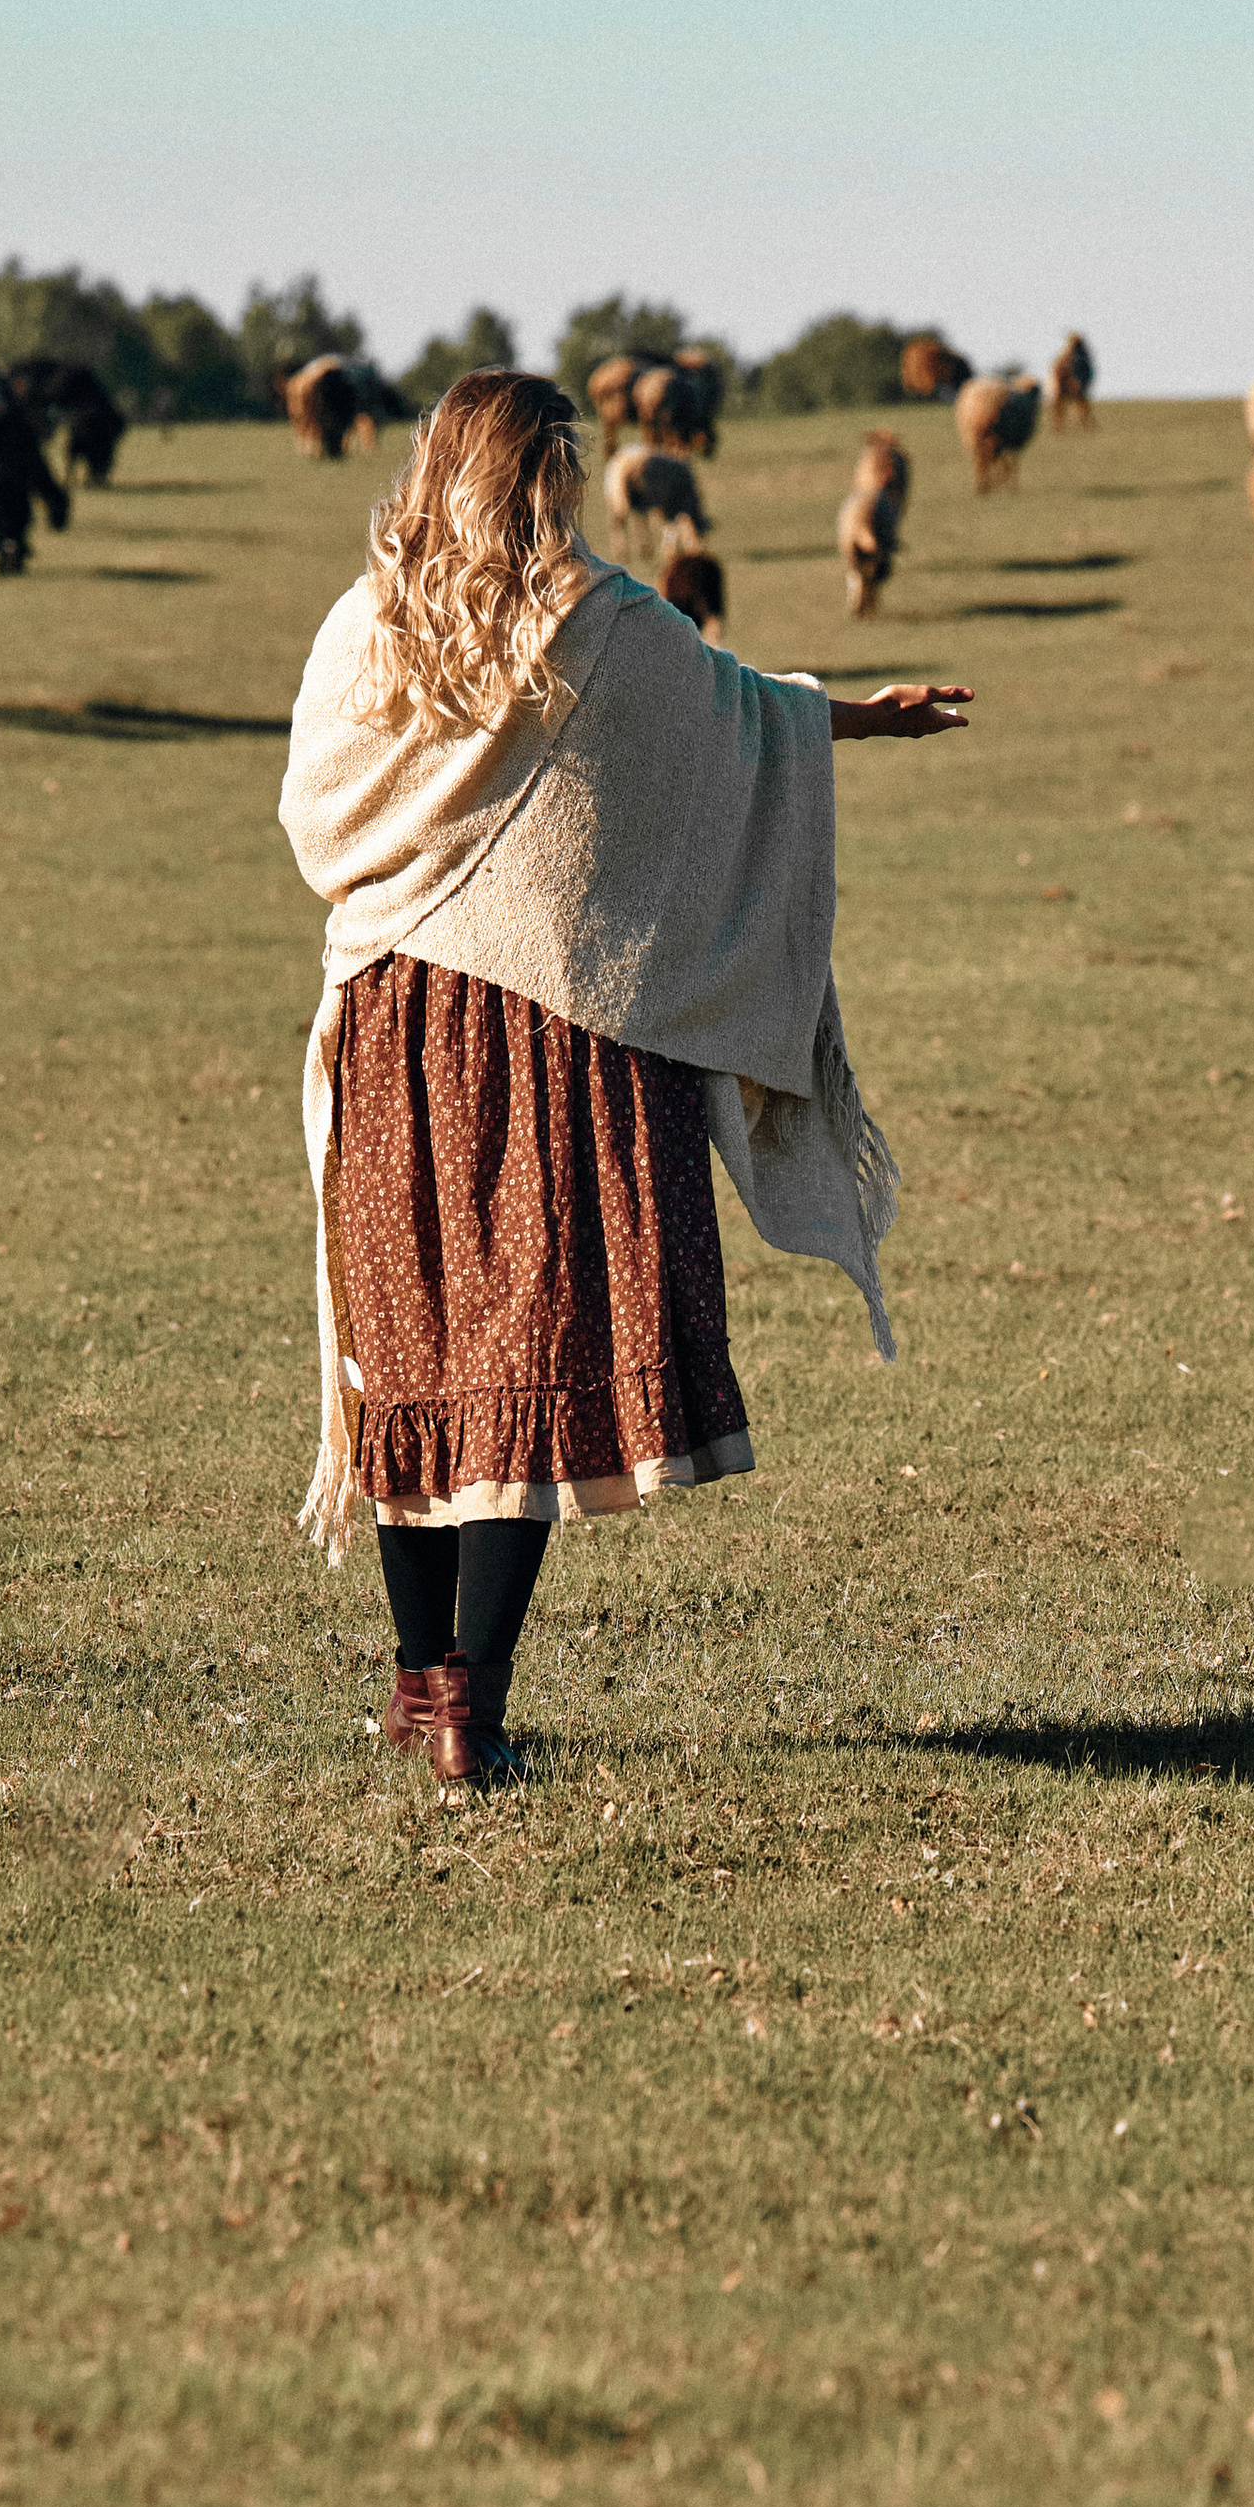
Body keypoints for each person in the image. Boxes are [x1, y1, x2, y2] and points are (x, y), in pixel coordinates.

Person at [278, 368, 968, 1788]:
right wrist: (866, 722)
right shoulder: (610, 624)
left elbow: (312, 811)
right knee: (524, 1363)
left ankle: (422, 1690)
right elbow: (735, 721)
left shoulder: (368, 622)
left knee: (409, 1356)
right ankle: (470, 1704)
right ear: (550, 473)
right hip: (553, 1034)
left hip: (393, 1021)